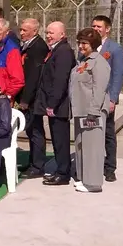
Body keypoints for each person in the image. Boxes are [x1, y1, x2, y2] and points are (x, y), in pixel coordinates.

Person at [31, 21, 76, 186]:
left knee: (61, 140)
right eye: (47, 33)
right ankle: (60, 170)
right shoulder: (55, 50)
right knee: (57, 140)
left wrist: (52, 104)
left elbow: (60, 80)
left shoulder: (63, 51)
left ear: (62, 34)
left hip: (59, 106)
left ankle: (63, 173)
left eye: (52, 33)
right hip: (54, 104)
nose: (48, 36)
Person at [70, 28, 111, 193]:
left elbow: (99, 88)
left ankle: (93, 183)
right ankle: (83, 178)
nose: (81, 46)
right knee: (81, 145)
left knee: (93, 147)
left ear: (93, 44)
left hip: (92, 110)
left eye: (84, 43)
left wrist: (94, 110)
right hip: (81, 109)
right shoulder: (84, 60)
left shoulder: (99, 62)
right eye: (79, 42)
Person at [92, 15, 123, 183]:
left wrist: (112, 99)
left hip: (106, 98)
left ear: (107, 29)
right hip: (89, 99)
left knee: (108, 133)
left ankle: (110, 168)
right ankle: (93, 164)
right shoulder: (88, 46)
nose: (96, 29)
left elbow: (117, 75)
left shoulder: (114, 49)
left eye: (99, 26)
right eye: (94, 26)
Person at [15, 19, 50, 174]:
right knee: (30, 131)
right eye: (21, 30)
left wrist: (25, 100)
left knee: (35, 130)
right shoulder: (28, 45)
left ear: (35, 31)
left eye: (25, 30)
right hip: (27, 96)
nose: (21, 33)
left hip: (34, 98)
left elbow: (34, 76)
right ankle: (32, 161)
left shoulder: (38, 47)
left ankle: (38, 166)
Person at [0, 18, 25, 100]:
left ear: (7, 32)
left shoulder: (11, 49)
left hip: (1, 97)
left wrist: (8, 95)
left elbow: (18, 80)